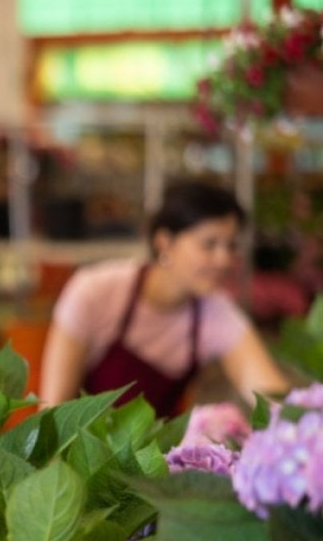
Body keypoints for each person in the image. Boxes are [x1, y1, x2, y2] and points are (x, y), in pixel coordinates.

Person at [39, 178, 289, 417]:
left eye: (231, 246)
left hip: (156, 458)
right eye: (209, 244)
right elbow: (52, 414)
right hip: (81, 454)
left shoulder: (215, 312)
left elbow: (271, 394)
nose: (224, 260)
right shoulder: (94, 291)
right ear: (164, 242)